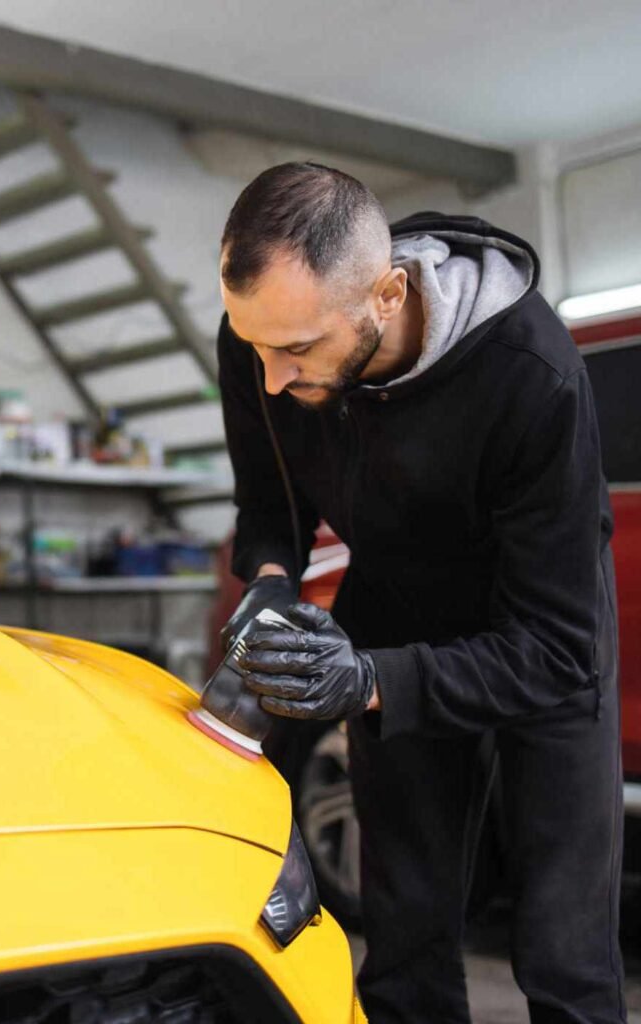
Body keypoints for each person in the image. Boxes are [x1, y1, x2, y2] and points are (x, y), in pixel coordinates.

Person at [217, 163, 624, 1023]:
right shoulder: (264, 335)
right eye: (254, 347)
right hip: (393, 604)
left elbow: (554, 648)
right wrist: (269, 583)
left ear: (389, 294)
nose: (271, 382)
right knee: (403, 940)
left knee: (564, 954)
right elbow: (269, 500)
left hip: (541, 635)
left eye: (295, 351)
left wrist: (366, 681)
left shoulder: (530, 375)